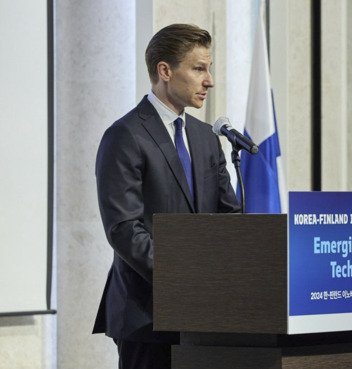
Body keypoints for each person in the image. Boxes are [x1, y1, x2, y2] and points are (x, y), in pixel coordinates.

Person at [93, 24, 241, 369]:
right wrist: (186, 281)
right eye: (198, 68)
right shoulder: (124, 135)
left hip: (207, 318)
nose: (210, 81)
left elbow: (229, 217)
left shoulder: (206, 138)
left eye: (210, 69)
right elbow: (125, 229)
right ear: (165, 71)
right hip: (147, 315)